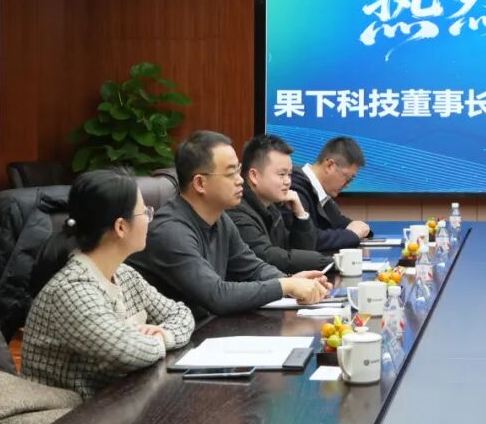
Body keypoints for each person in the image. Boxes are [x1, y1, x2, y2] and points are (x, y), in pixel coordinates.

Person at [22, 169, 195, 399]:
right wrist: (160, 338)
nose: (149, 219)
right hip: (65, 411)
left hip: (113, 403)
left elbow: (181, 314)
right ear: (121, 227)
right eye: (145, 212)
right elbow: (125, 351)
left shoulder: (124, 274)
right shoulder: (71, 290)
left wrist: (164, 335)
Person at [128, 131, 330, 319]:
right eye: (231, 173)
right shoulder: (170, 231)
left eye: (238, 171)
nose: (240, 180)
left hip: (205, 328)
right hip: (168, 338)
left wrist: (292, 280)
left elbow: (252, 268)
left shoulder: (220, 218)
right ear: (200, 183)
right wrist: (285, 285)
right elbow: (216, 295)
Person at [228, 135, 330, 273]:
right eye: (282, 174)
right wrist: (329, 262)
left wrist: (301, 216)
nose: (288, 181)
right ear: (254, 176)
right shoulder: (236, 211)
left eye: (289, 174)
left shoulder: (272, 208)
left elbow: (299, 253)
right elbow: (269, 257)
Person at [289, 136, 371, 252]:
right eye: (347, 178)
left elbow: (339, 222)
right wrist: (351, 234)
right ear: (330, 165)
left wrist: (358, 228)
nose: (347, 185)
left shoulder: (321, 192)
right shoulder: (295, 187)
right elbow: (308, 239)